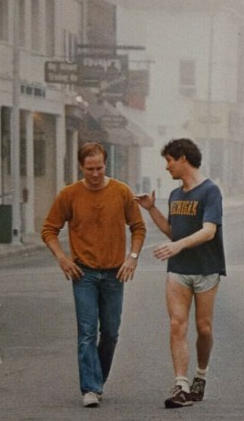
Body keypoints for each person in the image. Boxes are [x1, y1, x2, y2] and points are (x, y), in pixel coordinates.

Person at [41, 142, 146, 408]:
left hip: (114, 274)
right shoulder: (70, 195)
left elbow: (138, 227)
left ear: (105, 164)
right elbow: (49, 229)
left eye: (99, 168)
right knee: (87, 332)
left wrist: (132, 258)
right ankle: (90, 387)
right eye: (90, 169)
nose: (96, 174)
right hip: (83, 274)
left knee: (110, 332)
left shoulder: (121, 192)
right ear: (81, 167)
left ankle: (97, 379)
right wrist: (62, 258)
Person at [135, 138, 226, 409]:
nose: (167, 167)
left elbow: (209, 231)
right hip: (178, 270)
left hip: (206, 269)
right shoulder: (175, 195)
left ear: (183, 158)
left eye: (169, 161)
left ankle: (201, 375)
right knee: (177, 324)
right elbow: (173, 232)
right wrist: (151, 209)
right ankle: (181, 384)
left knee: (204, 328)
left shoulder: (210, 191)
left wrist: (178, 245)